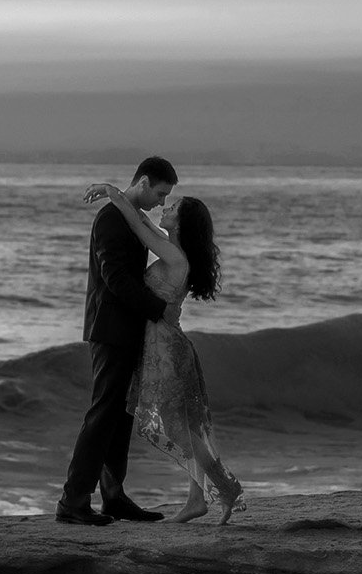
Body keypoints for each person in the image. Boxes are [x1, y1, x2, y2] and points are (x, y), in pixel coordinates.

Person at [81, 180, 244, 524]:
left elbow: (140, 228)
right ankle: (197, 499)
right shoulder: (174, 247)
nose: (165, 208)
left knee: (180, 429)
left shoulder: (173, 255)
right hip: (164, 346)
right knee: (185, 428)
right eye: (166, 202)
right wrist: (123, 198)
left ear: (182, 223)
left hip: (167, 350)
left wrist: (113, 192)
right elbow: (143, 224)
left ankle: (223, 489)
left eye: (173, 208)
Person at [56, 156, 178, 526]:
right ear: (143, 182)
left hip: (128, 329)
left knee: (120, 417)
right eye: (160, 193)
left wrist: (111, 191)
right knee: (102, 414)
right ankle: (73, 501)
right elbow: (114, 278)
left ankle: (114, 496)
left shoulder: (127, 215)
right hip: (109, 330)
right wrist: (159, 309)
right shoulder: (110, 219)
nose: (161, 202)